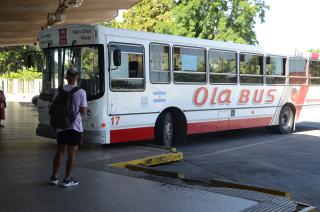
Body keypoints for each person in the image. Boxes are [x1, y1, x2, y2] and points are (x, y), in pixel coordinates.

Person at [50, 67, 87, 187]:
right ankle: (67, 179)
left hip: (61, 126)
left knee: (59, 152)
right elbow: (83, 111)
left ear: (66, 77)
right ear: (77, 77)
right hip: (75, 127)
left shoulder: (59, 91)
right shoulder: (81, 92)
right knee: (72, 154)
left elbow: (54, 106)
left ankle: (54, 177)